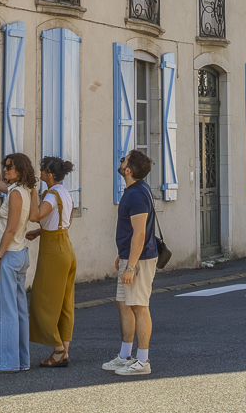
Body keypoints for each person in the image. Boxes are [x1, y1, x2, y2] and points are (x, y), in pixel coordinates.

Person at [102, 149, 158, 377]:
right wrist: (123, 255)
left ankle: (143, 360)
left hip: (140, 260)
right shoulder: (137, 190)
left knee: (139, 306)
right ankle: (125, 355)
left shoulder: (136, 194)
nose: (121, 160)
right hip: (131, 255)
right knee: (124, 304)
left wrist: (131, 265)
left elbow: (140, 234)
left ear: (129, 170)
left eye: (124, 160)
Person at [0, 138, 35, 373]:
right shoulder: (24, 190)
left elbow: (11, 229)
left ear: (20, 170)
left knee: (5, 311)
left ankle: (5, 363)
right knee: (19, 310)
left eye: (10, 166)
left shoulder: (15, 194)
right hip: (20, 254)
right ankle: (21, 361)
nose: (5, 169)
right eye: (5, 165)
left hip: (9, 254)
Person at [26, 156, 77, 367]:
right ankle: (64, 350)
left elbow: (35, 215)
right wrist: (41, 232)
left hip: (53, 253)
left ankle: (57, 350)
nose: (41, 173)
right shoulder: (65, 193)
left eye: (43, 171)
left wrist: (31, 192)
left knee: (42, 300)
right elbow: (64, 221)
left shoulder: (50, 195)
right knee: (65, 303)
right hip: (66, 247)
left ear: (50, 174)